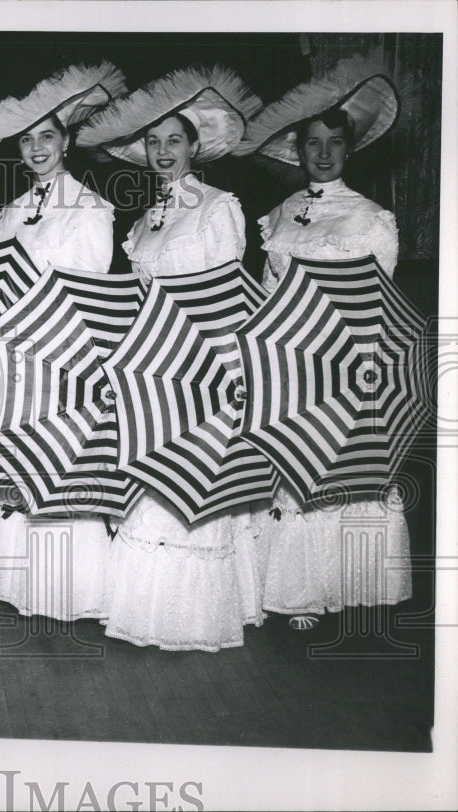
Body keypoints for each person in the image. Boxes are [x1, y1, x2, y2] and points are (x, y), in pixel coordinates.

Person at [76, 65, 266, 650]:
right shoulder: (144, 221)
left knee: (197, 486)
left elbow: (231, 295)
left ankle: (195, 616)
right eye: (154, 143)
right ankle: (145, 610)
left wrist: (217, 368)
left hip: (204, 366)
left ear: (194, 147)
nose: (162, 152)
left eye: (174, 141)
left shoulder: (218, 207)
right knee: (152, 481)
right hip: (153, 367)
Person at [237, 54, 411, 629]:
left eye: (335, 142)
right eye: (314, 143)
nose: (324, 153)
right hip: (290, 362)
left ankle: (344, 583)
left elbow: (378, 303)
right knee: (292, 467)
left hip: (345, 361)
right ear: (300, 148)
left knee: (339, 470)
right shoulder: (280, 214)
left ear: (349, 149)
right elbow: (268, 294)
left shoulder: (371, 218)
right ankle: (295, 587)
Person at [0, 61, 128, 620]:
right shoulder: (11, 211)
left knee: (58, 467)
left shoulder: (91, 208)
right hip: (14, 354)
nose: (36, 147)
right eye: (27, 138)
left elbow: (91, 291)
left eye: (47, 136)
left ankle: (67, 587)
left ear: (67, 141)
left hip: (66, 353)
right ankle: (17, 579)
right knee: (15, 460)